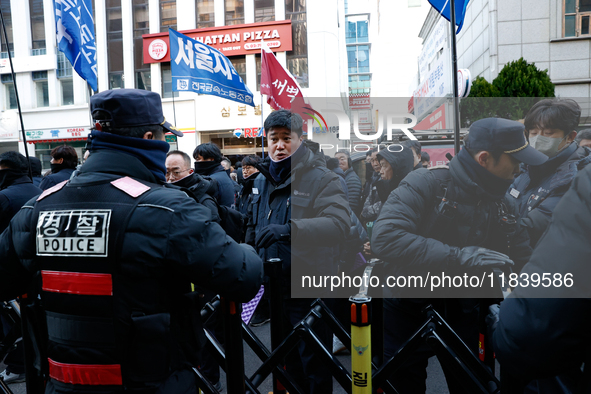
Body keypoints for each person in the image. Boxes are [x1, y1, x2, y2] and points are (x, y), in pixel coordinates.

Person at [0, 88, 263, 394]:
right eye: (165, 138)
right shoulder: (167, 208)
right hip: (151, 383)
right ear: (150, 138)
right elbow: (243, 276)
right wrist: (245, 245)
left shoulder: (37, 207)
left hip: (62, 383)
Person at [371, 118, 545, 393]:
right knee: (402, 386)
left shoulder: (505, 203)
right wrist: (460, 257)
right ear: (485, 158)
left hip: (464, 312)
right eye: (515, 160)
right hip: (407, 308)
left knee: (473, 385)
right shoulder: (426, 182)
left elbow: (523, 260)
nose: (521, 167)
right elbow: (385, 237)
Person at [247, 109, 350, 394]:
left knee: (314, 363)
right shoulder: (261, 180)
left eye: (286, 138)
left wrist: (290, 229)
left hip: (309, 286)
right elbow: (252, 228)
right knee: (285, 360)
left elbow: (339, 224)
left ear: (300, 139)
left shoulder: (323, 178)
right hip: (274, 287)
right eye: (273, 139)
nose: (279, 145)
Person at [489, 163, 591, 392]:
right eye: (533, 132)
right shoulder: (523, 178)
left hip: (539, 310)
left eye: (547, 132)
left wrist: (506, 326)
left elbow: (530, 331)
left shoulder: (578, 182)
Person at [509, 98, 591, 247]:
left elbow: (536, 226)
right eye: (533, 132)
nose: (538, 139)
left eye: (548, 133)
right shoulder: (523, 167)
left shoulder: (577, 176)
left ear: (570, 137)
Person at [0, 152, 42, 384]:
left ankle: (16, 362)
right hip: (38, 271)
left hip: (11, 268)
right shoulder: (41, 192)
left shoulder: (4, 197)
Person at [165, 150, 220, 223]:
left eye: (176, 172)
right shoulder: (164, 192)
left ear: (190, 172)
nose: (171, 177)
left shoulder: (204, 201)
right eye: (167, 172)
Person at [193, 143, 235, 207]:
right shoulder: (221, 175)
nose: (196, 162)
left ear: (211, 159)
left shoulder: (213, 180)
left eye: (198, 159)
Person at [335, 149, 362, 214]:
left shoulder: (352, 179)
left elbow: (352, 206)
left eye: (342, 159)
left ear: (349, 161)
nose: (339, 162)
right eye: (336, 159)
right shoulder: (342, 176)